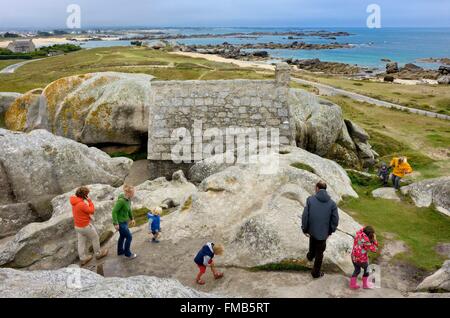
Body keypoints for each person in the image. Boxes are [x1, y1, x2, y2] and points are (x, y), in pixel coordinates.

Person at [301, 181, 339, 279]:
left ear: (317, 188)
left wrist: (304, 228)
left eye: (315, 187)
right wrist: (330, 231)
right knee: (320, 253)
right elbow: (335, 219)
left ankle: (310, 256)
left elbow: (305, 216)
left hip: (312, 230)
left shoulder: (310, 200)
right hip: (323, 232)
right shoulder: (332, 204)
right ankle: (316, 272)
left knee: (312, 239)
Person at [70, 186, 108, 266]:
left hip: (77, 227)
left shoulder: (74, 202)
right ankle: (98, 254)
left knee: (81, 242)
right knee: (95, 238)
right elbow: (92, 211)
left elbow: (82, 212)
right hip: (85, 226)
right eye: (87, 194)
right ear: (84, 195)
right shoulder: (81, 204)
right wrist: (90, 202)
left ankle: (83, 258)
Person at [112, 184, 137, 259]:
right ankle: (127, 253)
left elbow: (129, 209)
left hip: (125, 221)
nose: (134, 194)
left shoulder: (128, 199)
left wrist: (132, 218)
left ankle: (120, 251)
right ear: (128, 193)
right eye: (133, 193)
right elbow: (114, 212)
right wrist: (116, 223)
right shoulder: (121, 201)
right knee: (129, 237)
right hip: (120, 223)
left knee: (122, 236)